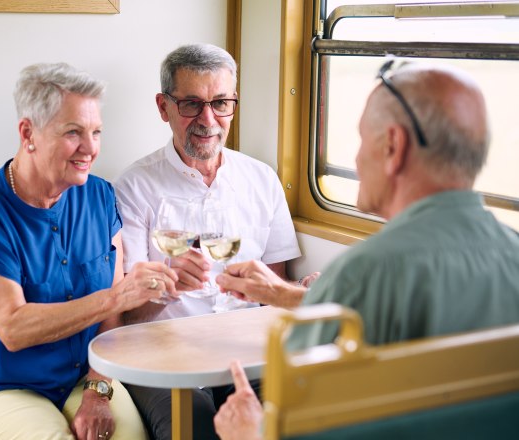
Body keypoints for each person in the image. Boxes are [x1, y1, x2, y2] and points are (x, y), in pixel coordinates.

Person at [213, 62, 519, 440]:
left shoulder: (365, 273)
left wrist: (250, 432)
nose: (356, 160)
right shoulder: (513, 257)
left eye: (361, 140)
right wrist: (288, 294)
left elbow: (301, 423)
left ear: (393, 146)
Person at [0, 62, 179, 440]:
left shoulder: (99, 196)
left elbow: (110, 318)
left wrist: (98, 390)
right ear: (28, 133)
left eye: (96, 132)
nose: (91, 147)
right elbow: (13, 328)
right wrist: (115, 297)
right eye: (73, 132)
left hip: (82, 377)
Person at [113, 43, 312, 440]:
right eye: (191, 104)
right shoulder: (134, 186)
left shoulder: (261, 179)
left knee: (296, 418)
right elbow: (123, 320)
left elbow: (274, 287)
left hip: (250, 353)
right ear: (164, 107)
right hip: (162, 357)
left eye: (221, 103)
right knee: (195, 428)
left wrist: (296, 292)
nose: (209, 120)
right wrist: (167, 290)